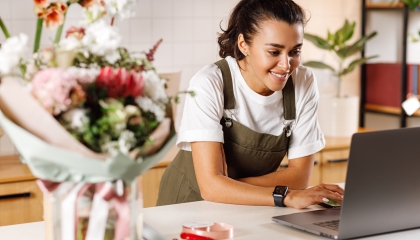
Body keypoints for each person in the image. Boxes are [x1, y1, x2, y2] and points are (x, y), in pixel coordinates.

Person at [157, 0, 343, 209]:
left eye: (295, 51)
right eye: (274, 52)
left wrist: (224, 187)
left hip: (256, 206)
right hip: (189, 206)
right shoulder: (209, 82)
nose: (286, 65)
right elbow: (209, 188)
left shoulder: (303, 82)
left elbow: (300, 177)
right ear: (243, 44)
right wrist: (287, 195)